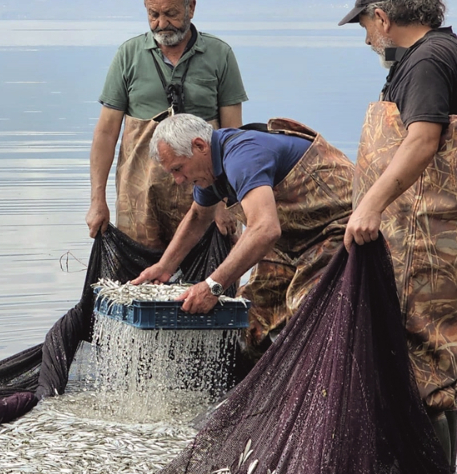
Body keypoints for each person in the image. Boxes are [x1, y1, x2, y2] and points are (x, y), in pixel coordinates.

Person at [339, 0, 457, 469]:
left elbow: (421, 140)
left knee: (426, 362)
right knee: (427, 360)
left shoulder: (430, 61)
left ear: (383, 18)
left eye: (366, 28)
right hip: (426, 238)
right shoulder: (433, 55)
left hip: (431, 242)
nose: (369, 39)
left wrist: (369, 205)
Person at [132, 113, 353, 363]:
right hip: (290, 240)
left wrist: (213, 286)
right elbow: (197, 217)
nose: (179, 180)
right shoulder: (208, 173)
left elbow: (265, 229)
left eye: (178, 169)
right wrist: (164, 267)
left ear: (199, 146)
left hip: (338, 227)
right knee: (251, 320)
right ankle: (261, 387)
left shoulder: (242, 156)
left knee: (305, 309)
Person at [86, 0, 247, 248]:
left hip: (206, 195)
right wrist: (97, 200)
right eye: (154, 15)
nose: (162, 24)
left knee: (211, 280)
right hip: (139, 199)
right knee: (140, 281)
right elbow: (105, 132)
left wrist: (226, 202)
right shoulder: (129, 54)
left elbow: (233, 135)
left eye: (171, 13)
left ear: (191, 7)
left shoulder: (220, 55)